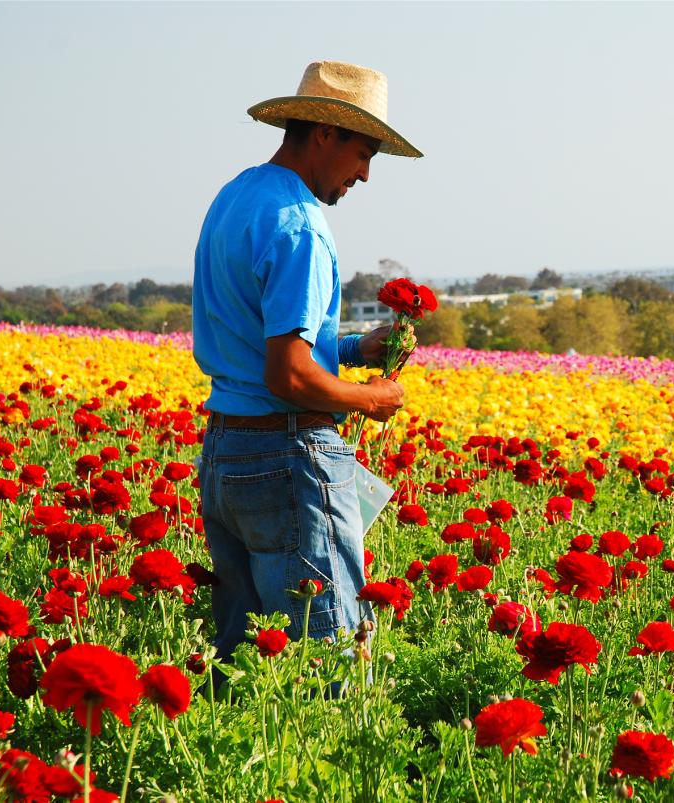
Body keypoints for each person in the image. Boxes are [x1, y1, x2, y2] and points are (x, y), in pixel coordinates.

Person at [192, 60, 423, 664]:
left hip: (226, 452)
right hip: (285, 458)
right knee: (326, 660)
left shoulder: (237, 196)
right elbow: (289, 377)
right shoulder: (300, 226)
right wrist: (374, 399)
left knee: (245, 660)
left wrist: (348, 350)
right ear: (325, 133)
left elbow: (256, 342)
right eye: (364, 153)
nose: (366, 174)